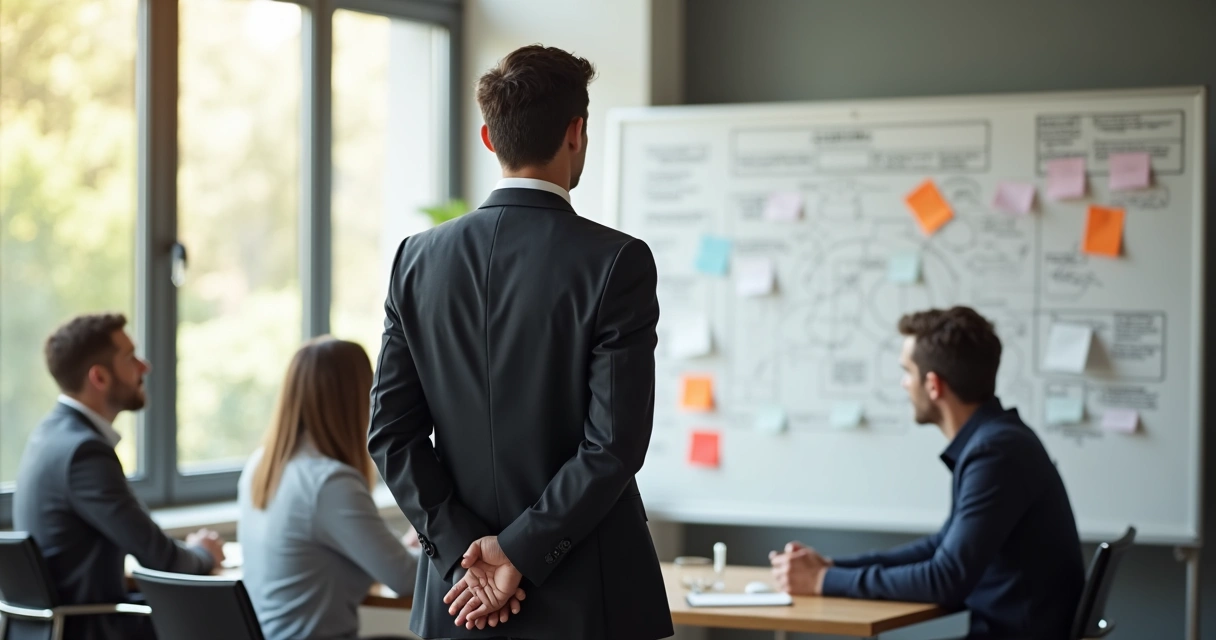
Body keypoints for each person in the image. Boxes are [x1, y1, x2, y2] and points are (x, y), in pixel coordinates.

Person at [368, 44, 673, 639]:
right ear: (576, 132)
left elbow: (391, 433)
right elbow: (612, 444)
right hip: (589, 599)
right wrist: (516, 552)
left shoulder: (416, 259)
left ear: (488, 137)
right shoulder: (616, 262)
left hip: (459, 601)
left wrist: (468, 553)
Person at [769, 307, 1085, 640]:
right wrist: (833, 568)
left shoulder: (995, 453)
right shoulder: (999, 440)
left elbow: (946, 579)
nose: (904, 384)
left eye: (907, 371)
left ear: (933, 384)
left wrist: (821, 582)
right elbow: (941, 548)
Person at [13, 313, 225, 640]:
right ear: (99, 377)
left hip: (61, 626)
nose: (145, 366)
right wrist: (203, 553)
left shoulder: (48, 436)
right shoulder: (84, 452)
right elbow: (161, 559)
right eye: (130, 358)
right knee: (228, 618)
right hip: (93, 630)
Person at [237, 337, 423, 640]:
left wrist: (404, 550)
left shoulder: (261, 466)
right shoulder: (328, 484)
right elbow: (405, 578)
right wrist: (434, 545)